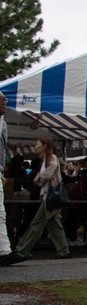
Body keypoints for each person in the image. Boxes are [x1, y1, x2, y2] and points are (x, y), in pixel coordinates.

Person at [5, 136, 72, 263]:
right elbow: (42, 177)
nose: (35, 146)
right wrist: (41, 178)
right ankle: (63, 250)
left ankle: (21, 250)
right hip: (50, 196)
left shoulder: (51, 158)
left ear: (45, 145)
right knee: (54, 225)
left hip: (49, 196)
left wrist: (40, 179)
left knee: (36, 224)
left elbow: (42, 178)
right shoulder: (46, 159)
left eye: (38, 144)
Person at [0, 92, 17, 265]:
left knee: (1, 213)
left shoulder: (3, 124)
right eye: (2, 100)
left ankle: (4, 250)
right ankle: (4, 251)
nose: (5, 103)